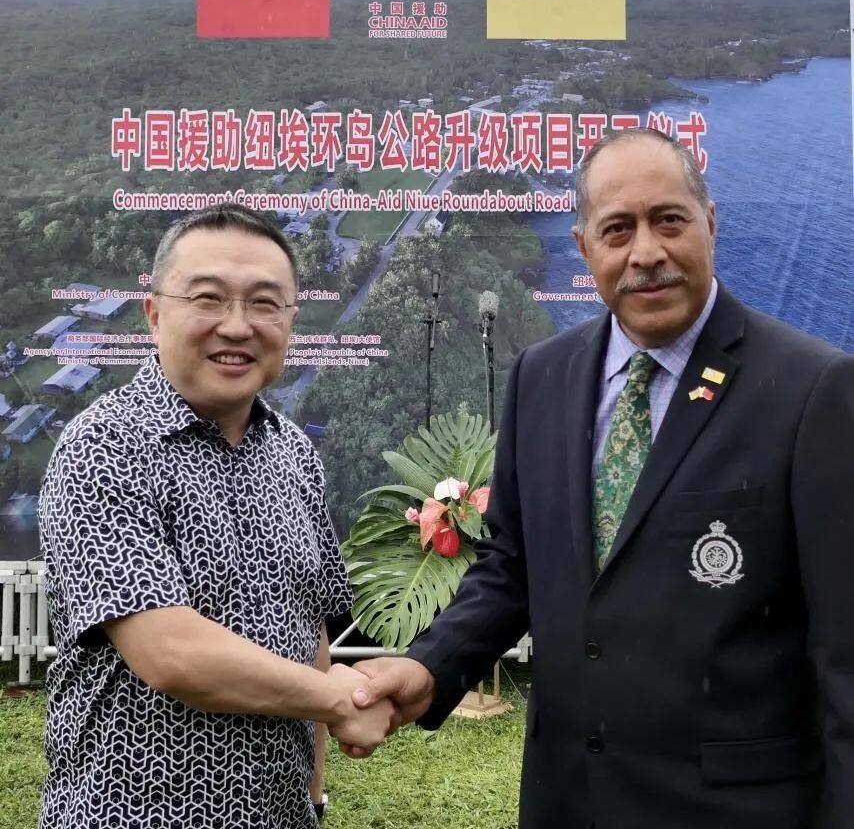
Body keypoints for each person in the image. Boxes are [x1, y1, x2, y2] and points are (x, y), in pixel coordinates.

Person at [344, 129, 854, 829]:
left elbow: (845, 649)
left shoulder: (812, 389)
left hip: (735, 807)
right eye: (618, 230)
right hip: (568, 799)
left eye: (668, 220)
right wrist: (430, 667)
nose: (646, 252)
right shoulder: (542, 376)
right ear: (585, 248)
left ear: (710, 224)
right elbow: (512, 564)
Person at [38, 204, 395, 829]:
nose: (237, 326)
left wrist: (313, 797)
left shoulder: (294, 453)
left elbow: (309, 630)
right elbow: (171, 652)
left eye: (264, 303)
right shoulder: (104, 446)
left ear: (290, 321)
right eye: (208, 299)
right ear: (154, 314)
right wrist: (341, 699)